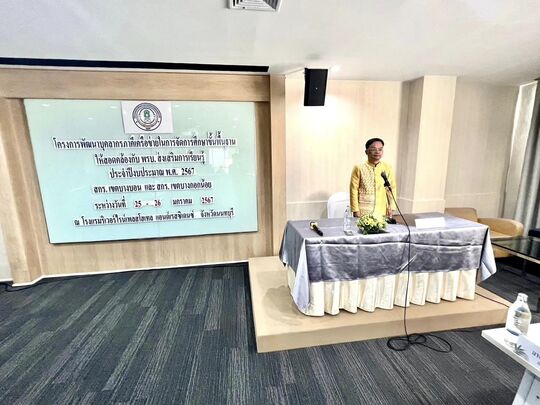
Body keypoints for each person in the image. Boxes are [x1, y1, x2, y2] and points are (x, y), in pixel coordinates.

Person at [349, 137, 397, 218]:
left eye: (380, 149)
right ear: (366, 151)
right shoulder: (359, 168)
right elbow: (353, 190)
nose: (377, 152)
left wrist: (391, 207)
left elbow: (392, 188)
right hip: (363, 210)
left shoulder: (387, 167)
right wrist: (355, 210)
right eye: (373, 149)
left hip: (382, 210)